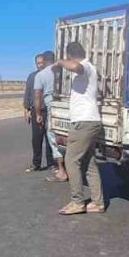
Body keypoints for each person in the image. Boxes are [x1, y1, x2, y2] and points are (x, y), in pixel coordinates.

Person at [54, 41, 105, 214]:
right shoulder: (88, 67)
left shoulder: (85, 66)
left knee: (71, 160)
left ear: (70, 55)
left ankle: (77, 202)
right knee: (89, 163)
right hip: (88, 121)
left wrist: (60, 62)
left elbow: (76, 67)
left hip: (84, 122)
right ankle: (97, 202)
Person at [33, 50, 67, 183]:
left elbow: (37, 96)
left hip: (52, 108)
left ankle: (61, 171)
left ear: (45, 61)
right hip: (68, 106)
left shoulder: (40, 75)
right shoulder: (63, 72)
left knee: (54, 138)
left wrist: (38, 114)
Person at [23, 53, 53, 171]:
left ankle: (52, 163)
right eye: (38, 63)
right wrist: (26, 110)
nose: (40, 65)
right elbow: (27, 94)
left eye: (42, 63)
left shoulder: (49, 76)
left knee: (50, 138)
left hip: (49, 111)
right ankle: (36, 163)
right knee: (36, 138)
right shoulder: (32, 77)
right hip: (36, 111)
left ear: (45, 63)